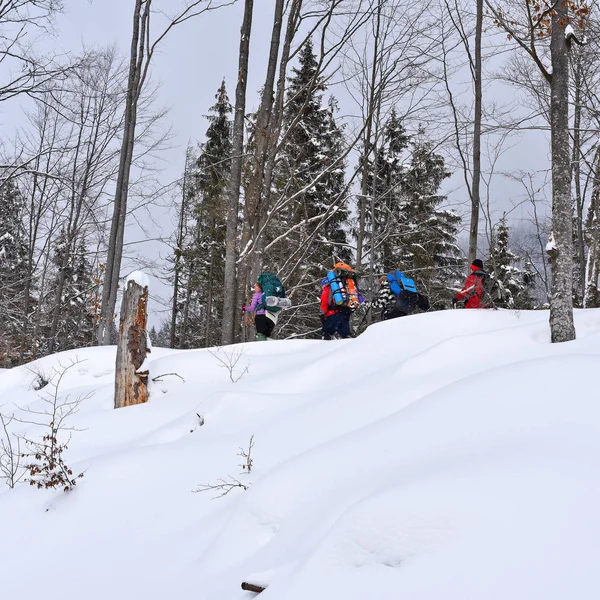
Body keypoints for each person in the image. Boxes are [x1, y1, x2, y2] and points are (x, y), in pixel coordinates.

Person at [320, 263, 364, 340]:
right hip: (346, 310)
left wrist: (322, 313)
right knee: (345, 335)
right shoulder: (346, 284)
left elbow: (325, 301)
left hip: (333, 313)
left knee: (327, 334)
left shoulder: (329, 287)